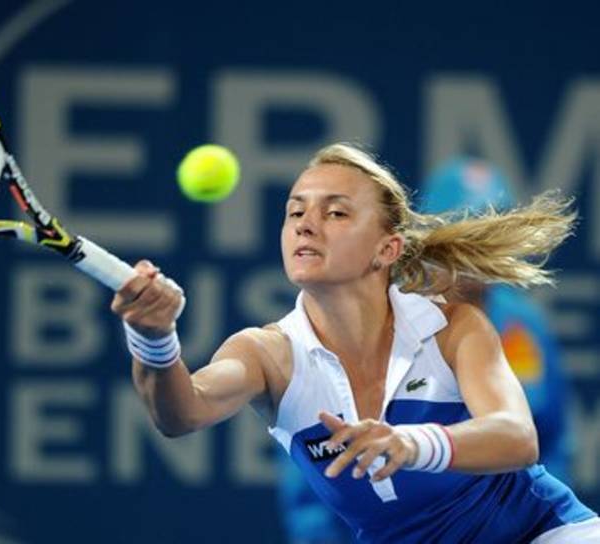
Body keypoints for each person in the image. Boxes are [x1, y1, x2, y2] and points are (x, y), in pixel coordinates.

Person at [111, 143, 599, 542]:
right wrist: (154, 338)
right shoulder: (266, 354)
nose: (305, 223)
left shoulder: (452, 326)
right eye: (295, 211)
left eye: (336, 212)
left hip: (545, 532)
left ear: (386, 249)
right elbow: (181, 414)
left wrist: (411, 442)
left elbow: (518, 437)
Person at [272, 157, 576, 544]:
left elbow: (550, 437)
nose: (474, 249)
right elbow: (316, 469)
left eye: (487, 229)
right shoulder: (376, 317)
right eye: (463, 227)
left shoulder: (522, 324)